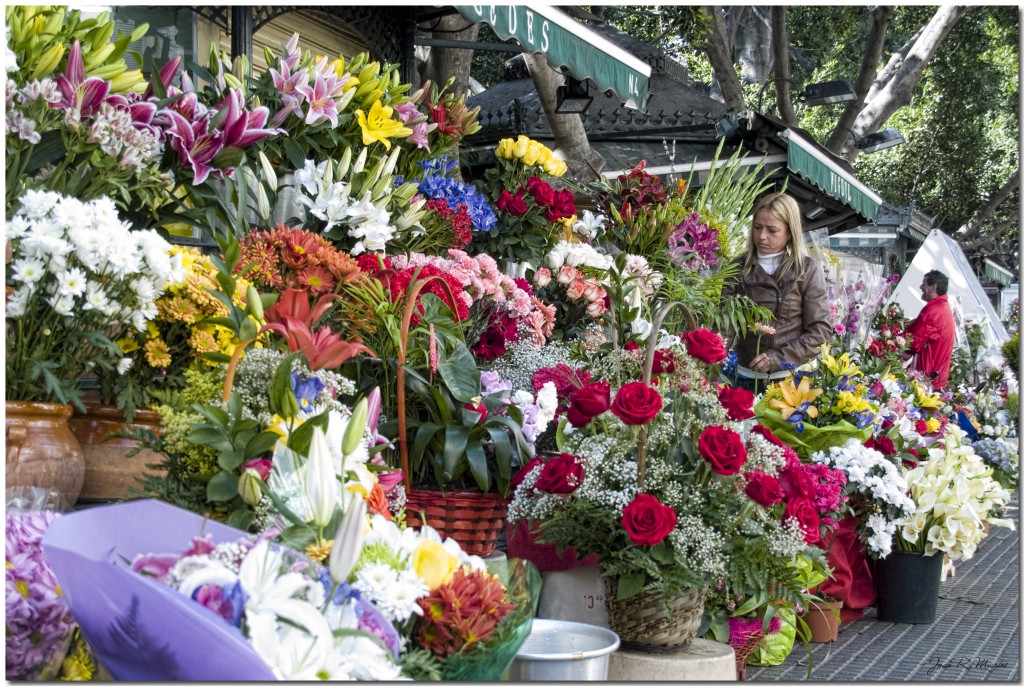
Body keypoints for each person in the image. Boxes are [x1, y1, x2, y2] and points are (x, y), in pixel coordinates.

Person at [720, 192, 832, 392]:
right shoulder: (737, 268)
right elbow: (724, 323)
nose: (762, 236)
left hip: (792, 380)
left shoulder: (806, 269)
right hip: (745, 377)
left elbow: (820, 331)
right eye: (757, 227)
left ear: (790, 233)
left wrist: (778, 358)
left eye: (772, 230)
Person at [904, 269, 955, 389]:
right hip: (936, 375)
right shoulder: (942, 308)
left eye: (924, 284)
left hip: (927, 379)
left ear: (933, 287)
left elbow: (913, 342)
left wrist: (890, 344)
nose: (921, 287)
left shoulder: (933, 312)